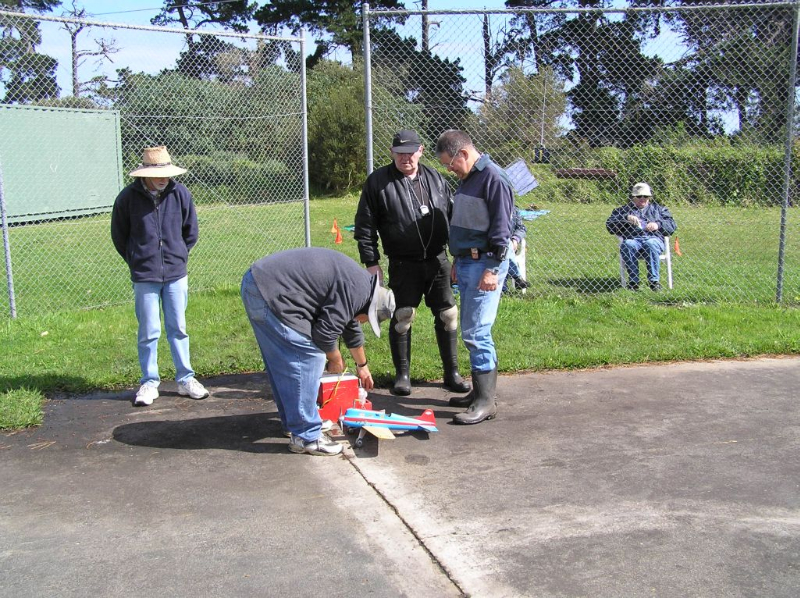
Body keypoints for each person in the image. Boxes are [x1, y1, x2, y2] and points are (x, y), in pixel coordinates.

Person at [240, 247, 395, 456]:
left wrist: (362, 366)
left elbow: (349, 325)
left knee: (285, 364)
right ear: (370, 307)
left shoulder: (360, 286)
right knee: (309, 357)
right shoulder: (356, 291)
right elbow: (324, 334)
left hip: (259, 285)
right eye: (370, 318)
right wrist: (336, 359)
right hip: (271, 292)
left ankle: (296, 424)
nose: (365, 322)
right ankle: (306, 436)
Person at [354, 129, 470, 397]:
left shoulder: (436, 178)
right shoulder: (378, 182)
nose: (405, 158)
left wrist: (458, 256)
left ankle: (452, 373)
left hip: (438, 260)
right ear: (392, 153)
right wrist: (371, 262)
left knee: (448, 315)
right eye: (400, 153)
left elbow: (454, 217)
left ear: (420, 151)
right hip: (403, 263)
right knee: (403, 316)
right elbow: (365, 227)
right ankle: (402, 376)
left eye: (410, 152)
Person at [111, 146, 209, 407]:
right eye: (158, 174)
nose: (164, 178)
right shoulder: (127, 198)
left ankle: (186, 379)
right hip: (145, 276)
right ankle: (149, 382)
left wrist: (178, 255)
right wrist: (137, 259)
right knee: (149, 331)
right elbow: (119, 236)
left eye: (167, 173)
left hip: (176, 274)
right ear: (145, 174)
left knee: (178, 328)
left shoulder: (181, 194)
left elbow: (191, 231)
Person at [435, 130, 514, 425]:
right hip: (468, 261)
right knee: (470, 328)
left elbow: (502, 229)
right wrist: (458, 259)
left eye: (450, 163)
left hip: (485, 265)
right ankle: (478, 393)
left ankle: (485, 401)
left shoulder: (493, 178)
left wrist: (492, 269)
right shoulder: (469, 178)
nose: (449, 169)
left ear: (464, 154)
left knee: (478, 331)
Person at [606, 182, 677, 291]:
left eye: (646, 196)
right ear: (633, 197)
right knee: (628, 244)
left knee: (650, 243)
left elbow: (672, 225)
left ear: (649, 197)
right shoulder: (623, 211)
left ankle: (654, 282)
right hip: (633, 239)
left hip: (653, 238)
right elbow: (610, 225)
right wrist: (626, 218)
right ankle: (633, 282)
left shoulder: (659, 210)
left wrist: (657, 224)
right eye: (639, 196)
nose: (642, 199)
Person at [503, 208, 531, 294]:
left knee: (506, 247)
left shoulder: (514, 210)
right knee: (505, 245)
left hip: (509, 247)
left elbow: (521, 228)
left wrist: (515, 239)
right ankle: (517, 277)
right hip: (495, 245)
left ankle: (503, 288)